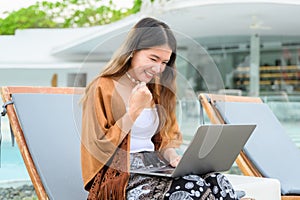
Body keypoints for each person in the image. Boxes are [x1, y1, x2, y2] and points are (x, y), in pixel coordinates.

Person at [81, 17, 239, 200]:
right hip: (121, 177)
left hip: (155, 167)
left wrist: (172, 156)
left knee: (217, 181)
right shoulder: (102, 87)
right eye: (153, 58)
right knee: (194, 189)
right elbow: (97, 147)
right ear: (133, 51)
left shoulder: (155, 89)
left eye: (164, 62)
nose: (158, 68)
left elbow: (163, 139)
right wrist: (134, 111)